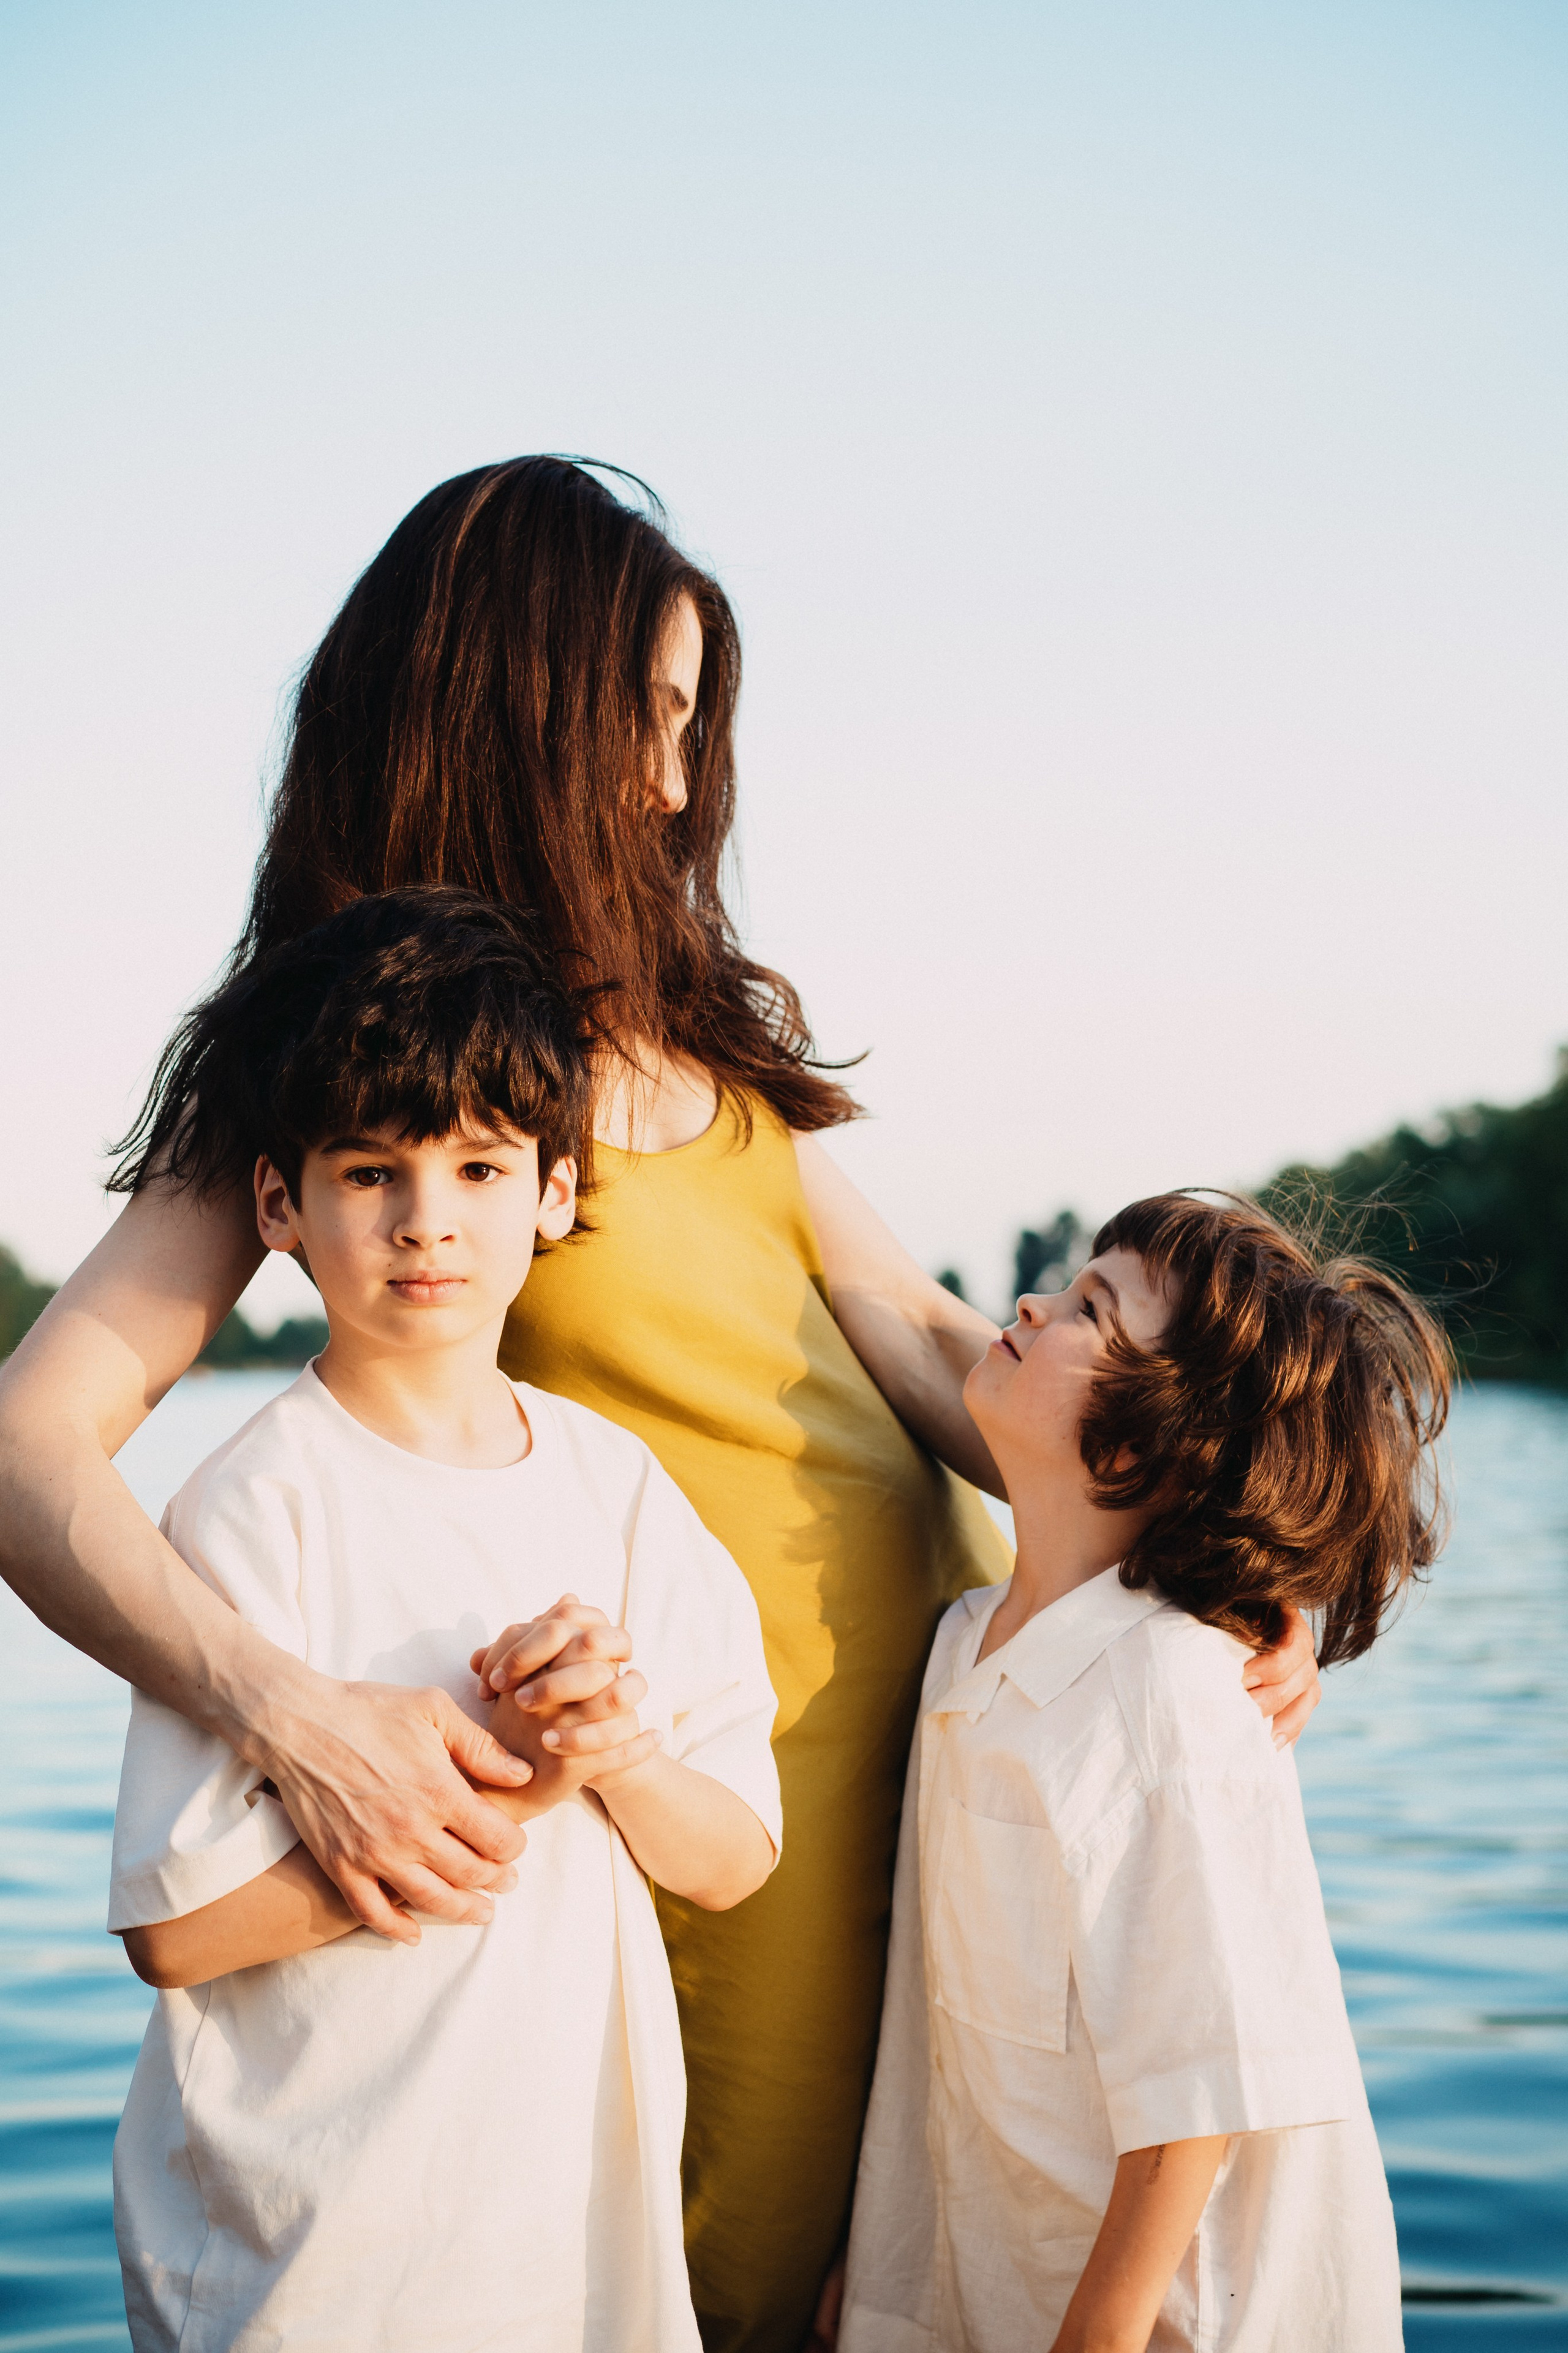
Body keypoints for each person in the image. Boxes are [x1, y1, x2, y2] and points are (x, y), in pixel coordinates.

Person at [0, 458, 1321, 2353]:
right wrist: (292, 1714)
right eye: (654, 714)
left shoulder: (700, 1038)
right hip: (668, 1804)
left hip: (925, 1768)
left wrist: (1225, 1547)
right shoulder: (364, 1070)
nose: (682, 781)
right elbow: (27, 1445)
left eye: (700, 726)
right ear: (509, 700)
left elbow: (931, 1342)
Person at [110, 887, 782, 2352]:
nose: (427, 1223)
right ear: (280, 1203)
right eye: (370, 1171)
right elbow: (176, 1931)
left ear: (552, 1190)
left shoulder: (616, 1488)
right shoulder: (255, 1503)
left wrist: (610, 1756)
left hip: (570, 2261)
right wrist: (505, 1785)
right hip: (313, 2271)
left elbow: (732, 1853)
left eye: (479, 1167)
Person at [840, 1191, 1450, 2353]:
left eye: (1088, 1309)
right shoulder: (968, 1641)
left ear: (1145, 1443)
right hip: (995, 2286)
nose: (1026, 1304)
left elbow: (1203, 2088)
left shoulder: (1170, 1691)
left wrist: (1101, 2336)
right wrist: (879, 2274)